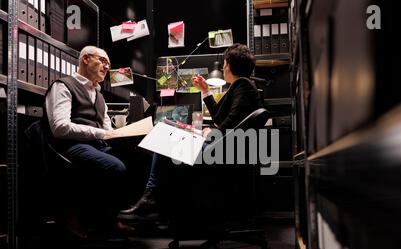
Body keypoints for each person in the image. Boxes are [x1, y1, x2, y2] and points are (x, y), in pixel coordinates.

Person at [118, 43, 263, 220]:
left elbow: (230, 125)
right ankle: (157, 202)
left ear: (229, 64)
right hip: (225, 149)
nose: (224, 67)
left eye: (225, 63)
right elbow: (220, 118)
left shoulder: (242, 85)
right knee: (168, 138)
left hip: (221, 151)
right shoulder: (243, 86)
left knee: (164, 137)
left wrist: (210, 134)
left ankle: (151, 198)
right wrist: (205, 91)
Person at [44, 45, 131, 238]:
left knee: (141, 157)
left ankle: (112, 216)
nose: (107, 67)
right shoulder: (63, 86)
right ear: (85, 59)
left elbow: (108, 130)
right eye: (102, 60)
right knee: (115, 167)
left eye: (108, 63)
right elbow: (59, 127)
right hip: (72, 146)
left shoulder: (99, 95)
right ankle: (97, 219)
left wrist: (126, 135)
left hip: (98, 145)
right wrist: (100, 134)